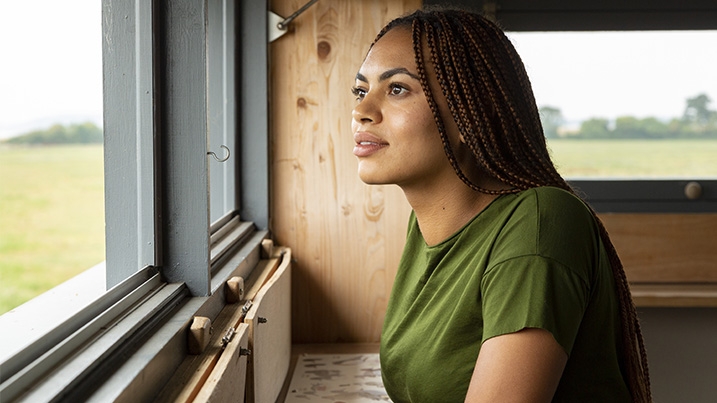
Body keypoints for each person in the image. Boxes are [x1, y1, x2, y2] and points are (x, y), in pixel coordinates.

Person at [350, 8, 652, 403]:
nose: (361, 111)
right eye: (360, 91)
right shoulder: (428, 225)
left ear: (466, 112)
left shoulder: (540, 222)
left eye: (397, 89)